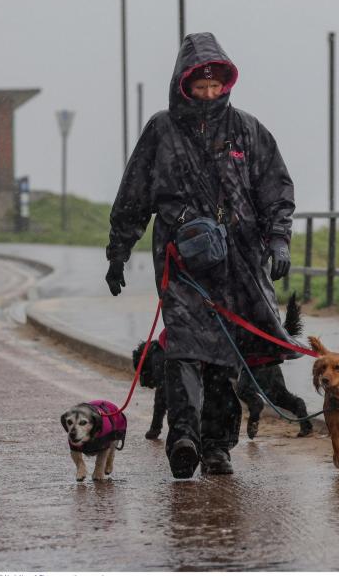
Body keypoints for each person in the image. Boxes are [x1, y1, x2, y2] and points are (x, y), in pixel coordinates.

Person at [106, 32, 298, 478]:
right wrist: (119, 251)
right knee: (185, 350)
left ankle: (217, 447)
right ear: (183, 84)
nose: (209, 93)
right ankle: (185, 437)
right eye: (200, 85)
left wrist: (279, 239)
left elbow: (276, 190)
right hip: (182, 260)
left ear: (227, 82)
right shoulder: (161, 129)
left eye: (216, 85)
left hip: (240, 264)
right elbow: (134, 195)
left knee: (224, 358)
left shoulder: (249, 130)